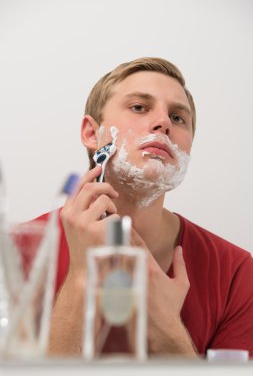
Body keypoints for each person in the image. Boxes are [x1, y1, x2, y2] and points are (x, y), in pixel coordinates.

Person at [38, 57, 253, 357]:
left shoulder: (236, 274)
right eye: (139, 107)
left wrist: (166, 325)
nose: (163, 122)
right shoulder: (19, 252)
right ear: (91, 133)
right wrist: (81, 278)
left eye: (179, 118)